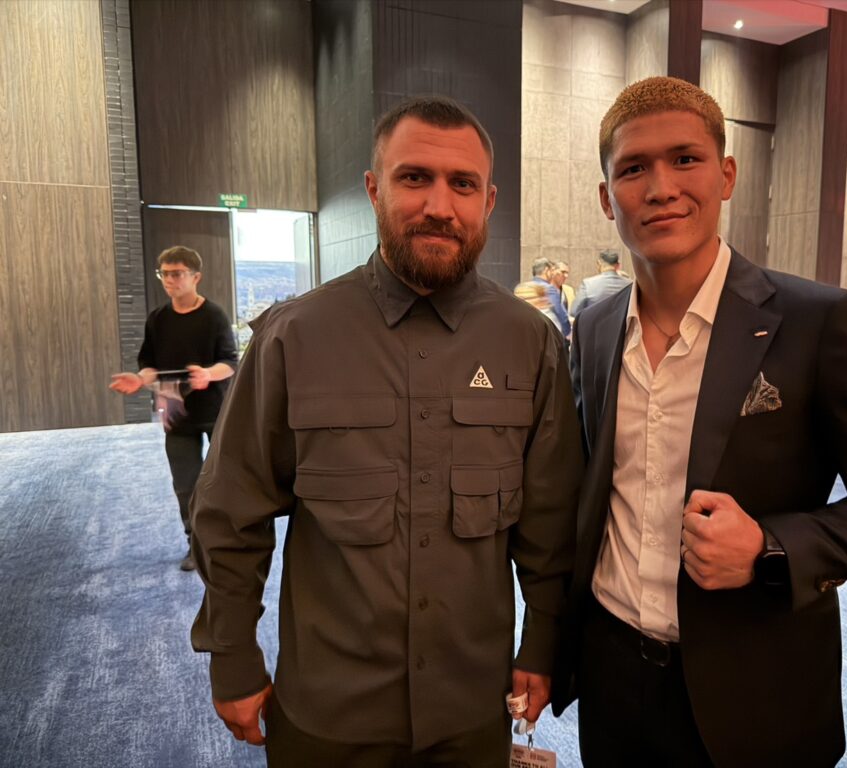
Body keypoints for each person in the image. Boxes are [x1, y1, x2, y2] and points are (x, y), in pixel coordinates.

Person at [551, 76, 847, 767]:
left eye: (685, 159)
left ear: (726, 175)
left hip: (756, 687)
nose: (661, 187)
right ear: (607, 198)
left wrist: (771, 546)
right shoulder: (596, 327)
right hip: (612, 678)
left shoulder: (822, 321)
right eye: (633, 169)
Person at [189, 96, 583, 767]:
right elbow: (231, 511)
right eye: (414, 178)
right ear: (375, 190)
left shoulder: (530, 343)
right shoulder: (293, 336)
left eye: (463, 184)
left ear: (488, 201)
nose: (440, 205)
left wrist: (542, 643)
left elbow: (551, 523)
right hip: (330, 712)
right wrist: (232, 652)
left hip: (471, 710)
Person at [109, 246, 237, 571]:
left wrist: (207, 374)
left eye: (176, 273)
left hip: (215, 410)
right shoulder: (158, 319)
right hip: (177, 414)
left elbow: (230, 362)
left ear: (196, 277)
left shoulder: (214, 316)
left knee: (224, 480)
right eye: (164, 274)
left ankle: (228, 542)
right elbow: (149, 365)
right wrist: (139, 379)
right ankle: (196, 545)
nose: (169, 280)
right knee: (185, 484)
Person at [570, 249, 631, 315]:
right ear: (618, 265)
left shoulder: (588, 284)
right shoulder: (630, 284)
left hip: (594, 321)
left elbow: (574, 311)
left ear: (599, 264)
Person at [531, 257, 571, 340]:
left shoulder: (525, 288)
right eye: (552, 270)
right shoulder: (549, 289)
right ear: (546, 270)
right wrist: (567, 333)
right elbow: (561, 314)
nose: (553, 274)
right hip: (549, 335)